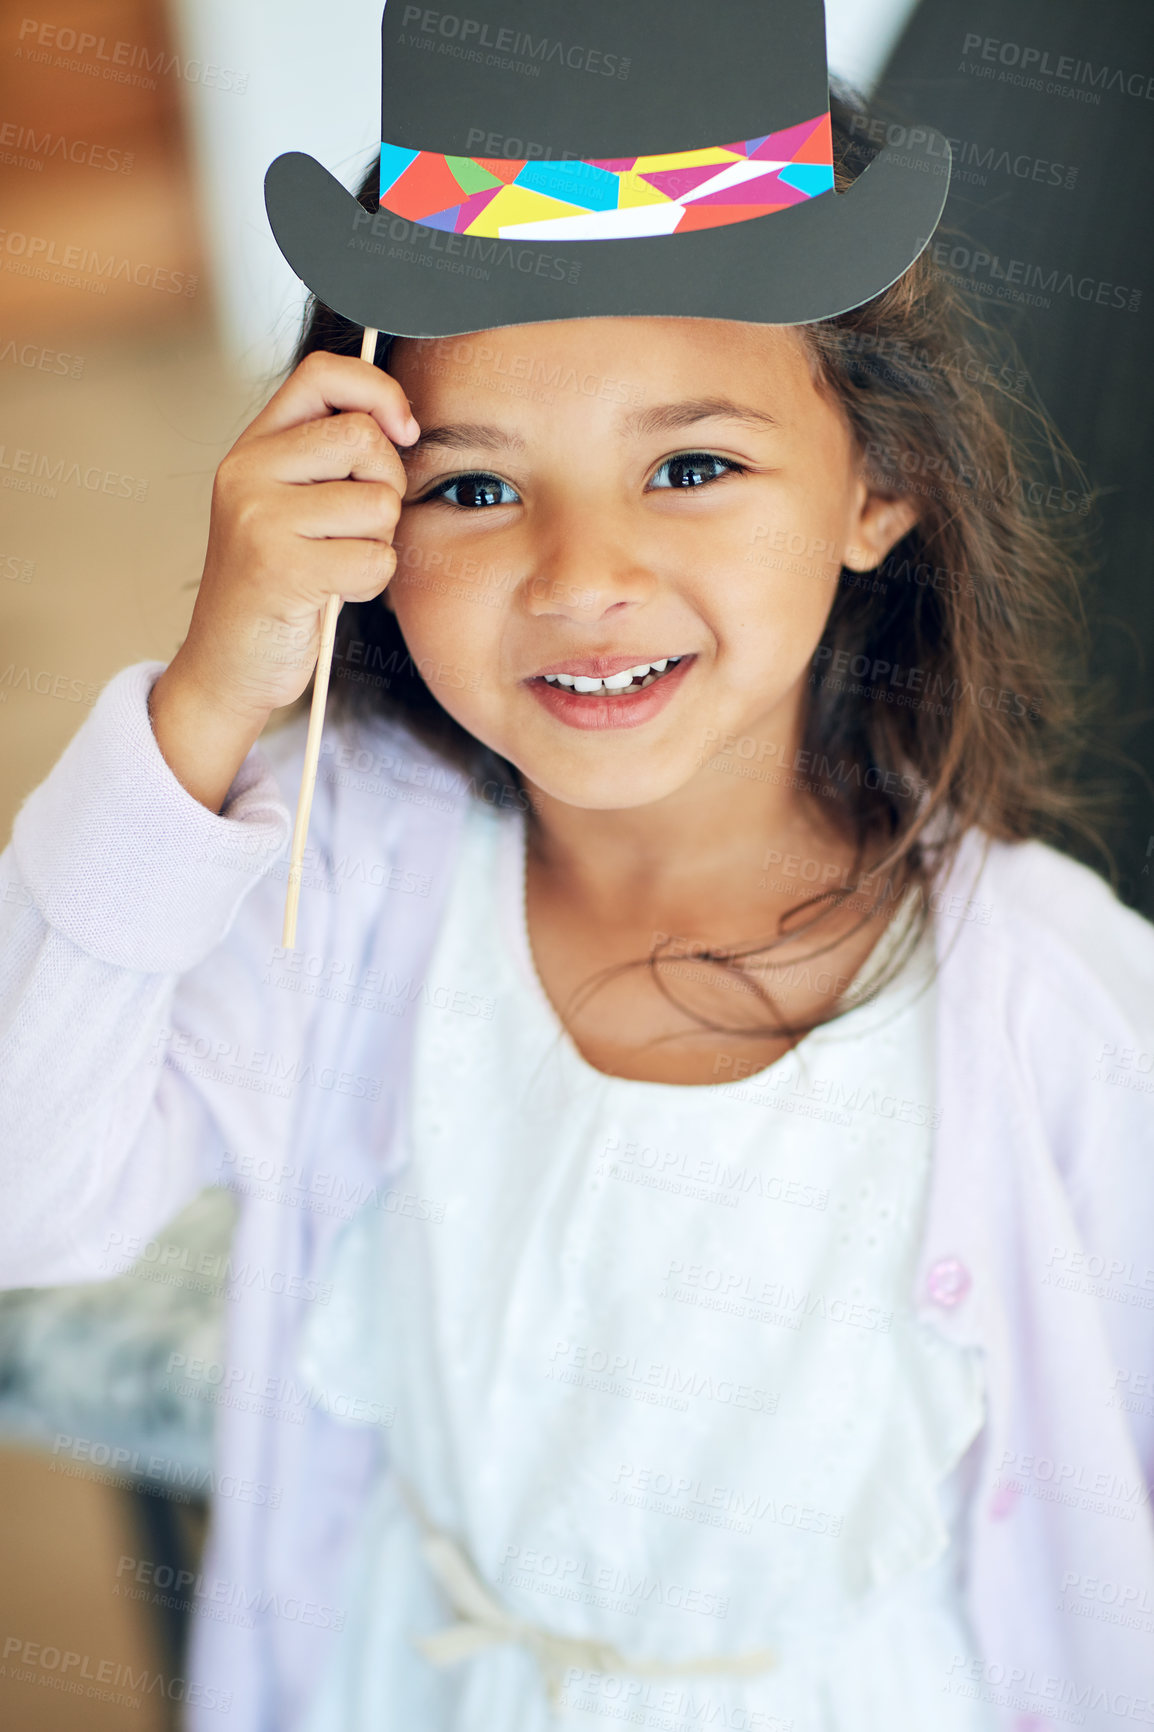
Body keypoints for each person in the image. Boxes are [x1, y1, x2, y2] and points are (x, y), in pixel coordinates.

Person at [2, 83, 1152, 1732]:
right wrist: (203, 703)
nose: (581, 576)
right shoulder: (347, 879)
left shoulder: (1052, 1003)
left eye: (688, 464)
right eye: (473, 489)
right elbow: (27, 1188)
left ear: (874, 487)